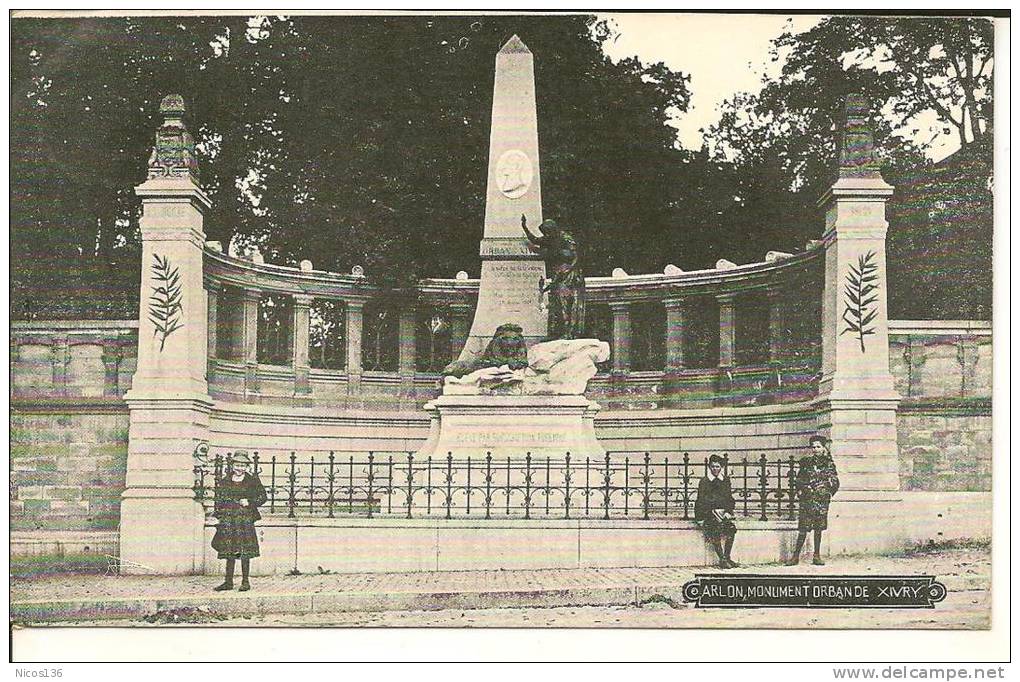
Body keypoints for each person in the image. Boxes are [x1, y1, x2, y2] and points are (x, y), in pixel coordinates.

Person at [521, 214, 586, 340]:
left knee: (566, 304)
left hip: (569, 275)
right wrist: (524, 227)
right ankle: (558, 332)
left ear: (553, 230)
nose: (546, 236)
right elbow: (535, 240)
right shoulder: (550, 238)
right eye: (545, 234)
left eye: (547, 233)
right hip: (558, 273)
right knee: (556, 303)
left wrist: (568, 269)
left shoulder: (565, 238)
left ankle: (568, 332)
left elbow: (575, 255)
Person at [211, 452, 267, 591]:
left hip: (245, 520)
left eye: (242, 465)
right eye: (237, 465)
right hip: (229, 520)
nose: (239, 468)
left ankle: (245, 581)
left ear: (247, 466)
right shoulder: (225, 481)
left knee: (244, 551)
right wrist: (221, 516)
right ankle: (228, 582)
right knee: (229, 550)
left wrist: (249, 501)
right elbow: (219, 499)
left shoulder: (252, 480)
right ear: (232, 465)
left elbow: (263, 497)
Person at [787, 435, 840, 566]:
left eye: (818, 447)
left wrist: (827, 492)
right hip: (807, 500)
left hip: (821, 501)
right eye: (813, 447)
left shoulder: (829, 464)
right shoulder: (806, 462)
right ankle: (795, 557)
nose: (815, 449)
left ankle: (816, 556)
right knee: (803, 529)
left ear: (823, 448)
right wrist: (804, 490)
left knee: (818, 529)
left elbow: (835, 481)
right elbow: (799, 480)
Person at [694, 454, 739, 569]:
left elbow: (730, 498)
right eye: (713, 466)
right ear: (709, 467)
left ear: (721, 467)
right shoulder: (704, 481)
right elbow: (700, 500)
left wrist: (728, 512)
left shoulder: (725, 481)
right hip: (709, 513)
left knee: (731, 529)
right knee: (714, 528)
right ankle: (722, 559)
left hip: (723, 514)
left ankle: (727, 557)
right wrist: (700, 518)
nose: (715, 469)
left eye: (717, 466)